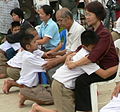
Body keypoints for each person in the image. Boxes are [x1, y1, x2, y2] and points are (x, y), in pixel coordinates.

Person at [28, 30, 118, 112]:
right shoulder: (85, 59)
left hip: (63, 84)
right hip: (62, 86)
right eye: (93, 48)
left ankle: (37, 108)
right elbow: (104, 74)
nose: (95, 50)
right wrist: (118, 66)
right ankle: (37, 109)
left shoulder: (82, 52)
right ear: (84, 46)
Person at [64, 1, 119, 112]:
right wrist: (71, 55)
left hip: (108, 68)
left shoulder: (104, 34)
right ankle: (79, 105)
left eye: (89, 14)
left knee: (81, 80)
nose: (86, 17)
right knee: (76, 76)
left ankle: (85, 109)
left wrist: (74, 63)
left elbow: (93, 56)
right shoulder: (92, 30)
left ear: (98, 16)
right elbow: (82, 47)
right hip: (97, 66)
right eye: (86, 14)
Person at [2, 32, 49, 107]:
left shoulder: (29, 52)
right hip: (19, 76)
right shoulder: (29, 56)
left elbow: (45, 56)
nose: (37, 43)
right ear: (28, 46)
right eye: (34, 42)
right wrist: (62, 58)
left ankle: (24, 95)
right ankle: (29, 99)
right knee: (50, 100)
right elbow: (46, 64)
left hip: (23, 82)